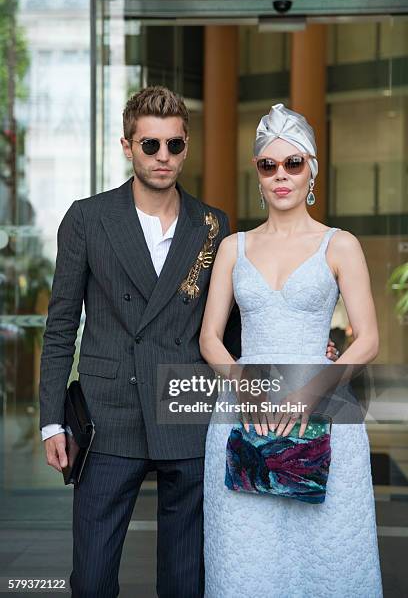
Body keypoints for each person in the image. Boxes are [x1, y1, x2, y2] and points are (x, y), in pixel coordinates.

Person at [39, 88, 338, 598]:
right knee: (90, 580)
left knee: (184, 582)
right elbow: (61, 324)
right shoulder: (87, 219)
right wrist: (51, 419)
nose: (163, 157)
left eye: (173, 146)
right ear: (127, 146)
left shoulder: (212, 224)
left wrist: (308, 352)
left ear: (186, 147)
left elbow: (231, 328)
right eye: (150, 145)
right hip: (110, 416)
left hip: (186, 408)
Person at [200, 104, 383, 597]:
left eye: (293, 163)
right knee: (245, 557)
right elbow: (209, 338)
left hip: (324, 408)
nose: (281, 175)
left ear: (312, 171)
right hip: (244, 412)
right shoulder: (234, 247)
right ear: (257, 175)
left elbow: (367, 338)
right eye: (268, 165)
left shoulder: (340, 245)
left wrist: (309, 393)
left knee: (326, 556)